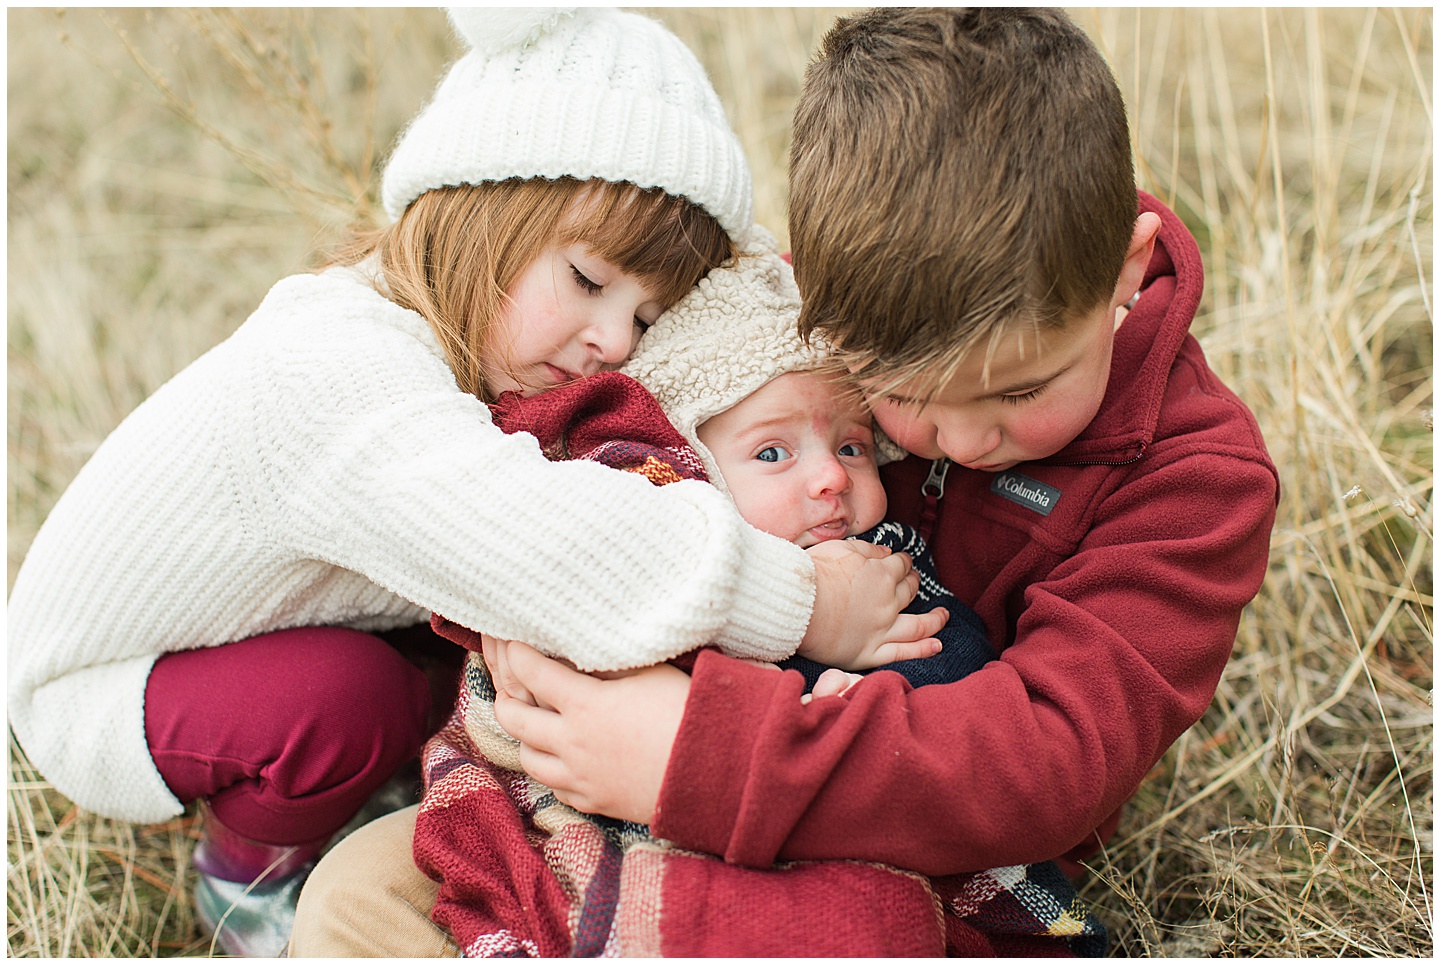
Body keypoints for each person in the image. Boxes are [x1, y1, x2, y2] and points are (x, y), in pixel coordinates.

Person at [289, 7, 1279, 957]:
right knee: (358, 896)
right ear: (824, 315)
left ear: (1126, 268)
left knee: (855, 934)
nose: (969, 438)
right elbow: (590, 432)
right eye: (903, 396)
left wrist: (695, 753)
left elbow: (1050, 760)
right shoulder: (778, 322)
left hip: (896, 839)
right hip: (613, 765)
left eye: (1021, 388)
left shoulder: (1195, 479)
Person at [5, 8, 942, 957]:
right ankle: (246, 881)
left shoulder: (472, 343)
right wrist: (799, 602)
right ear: (481, 206)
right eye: (586, 279)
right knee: (355, 699)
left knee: (439, 664)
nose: (613, 341)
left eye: (644, 314)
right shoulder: (340, 378)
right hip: (109, 685)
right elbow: (553, 549)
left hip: (267, 617)